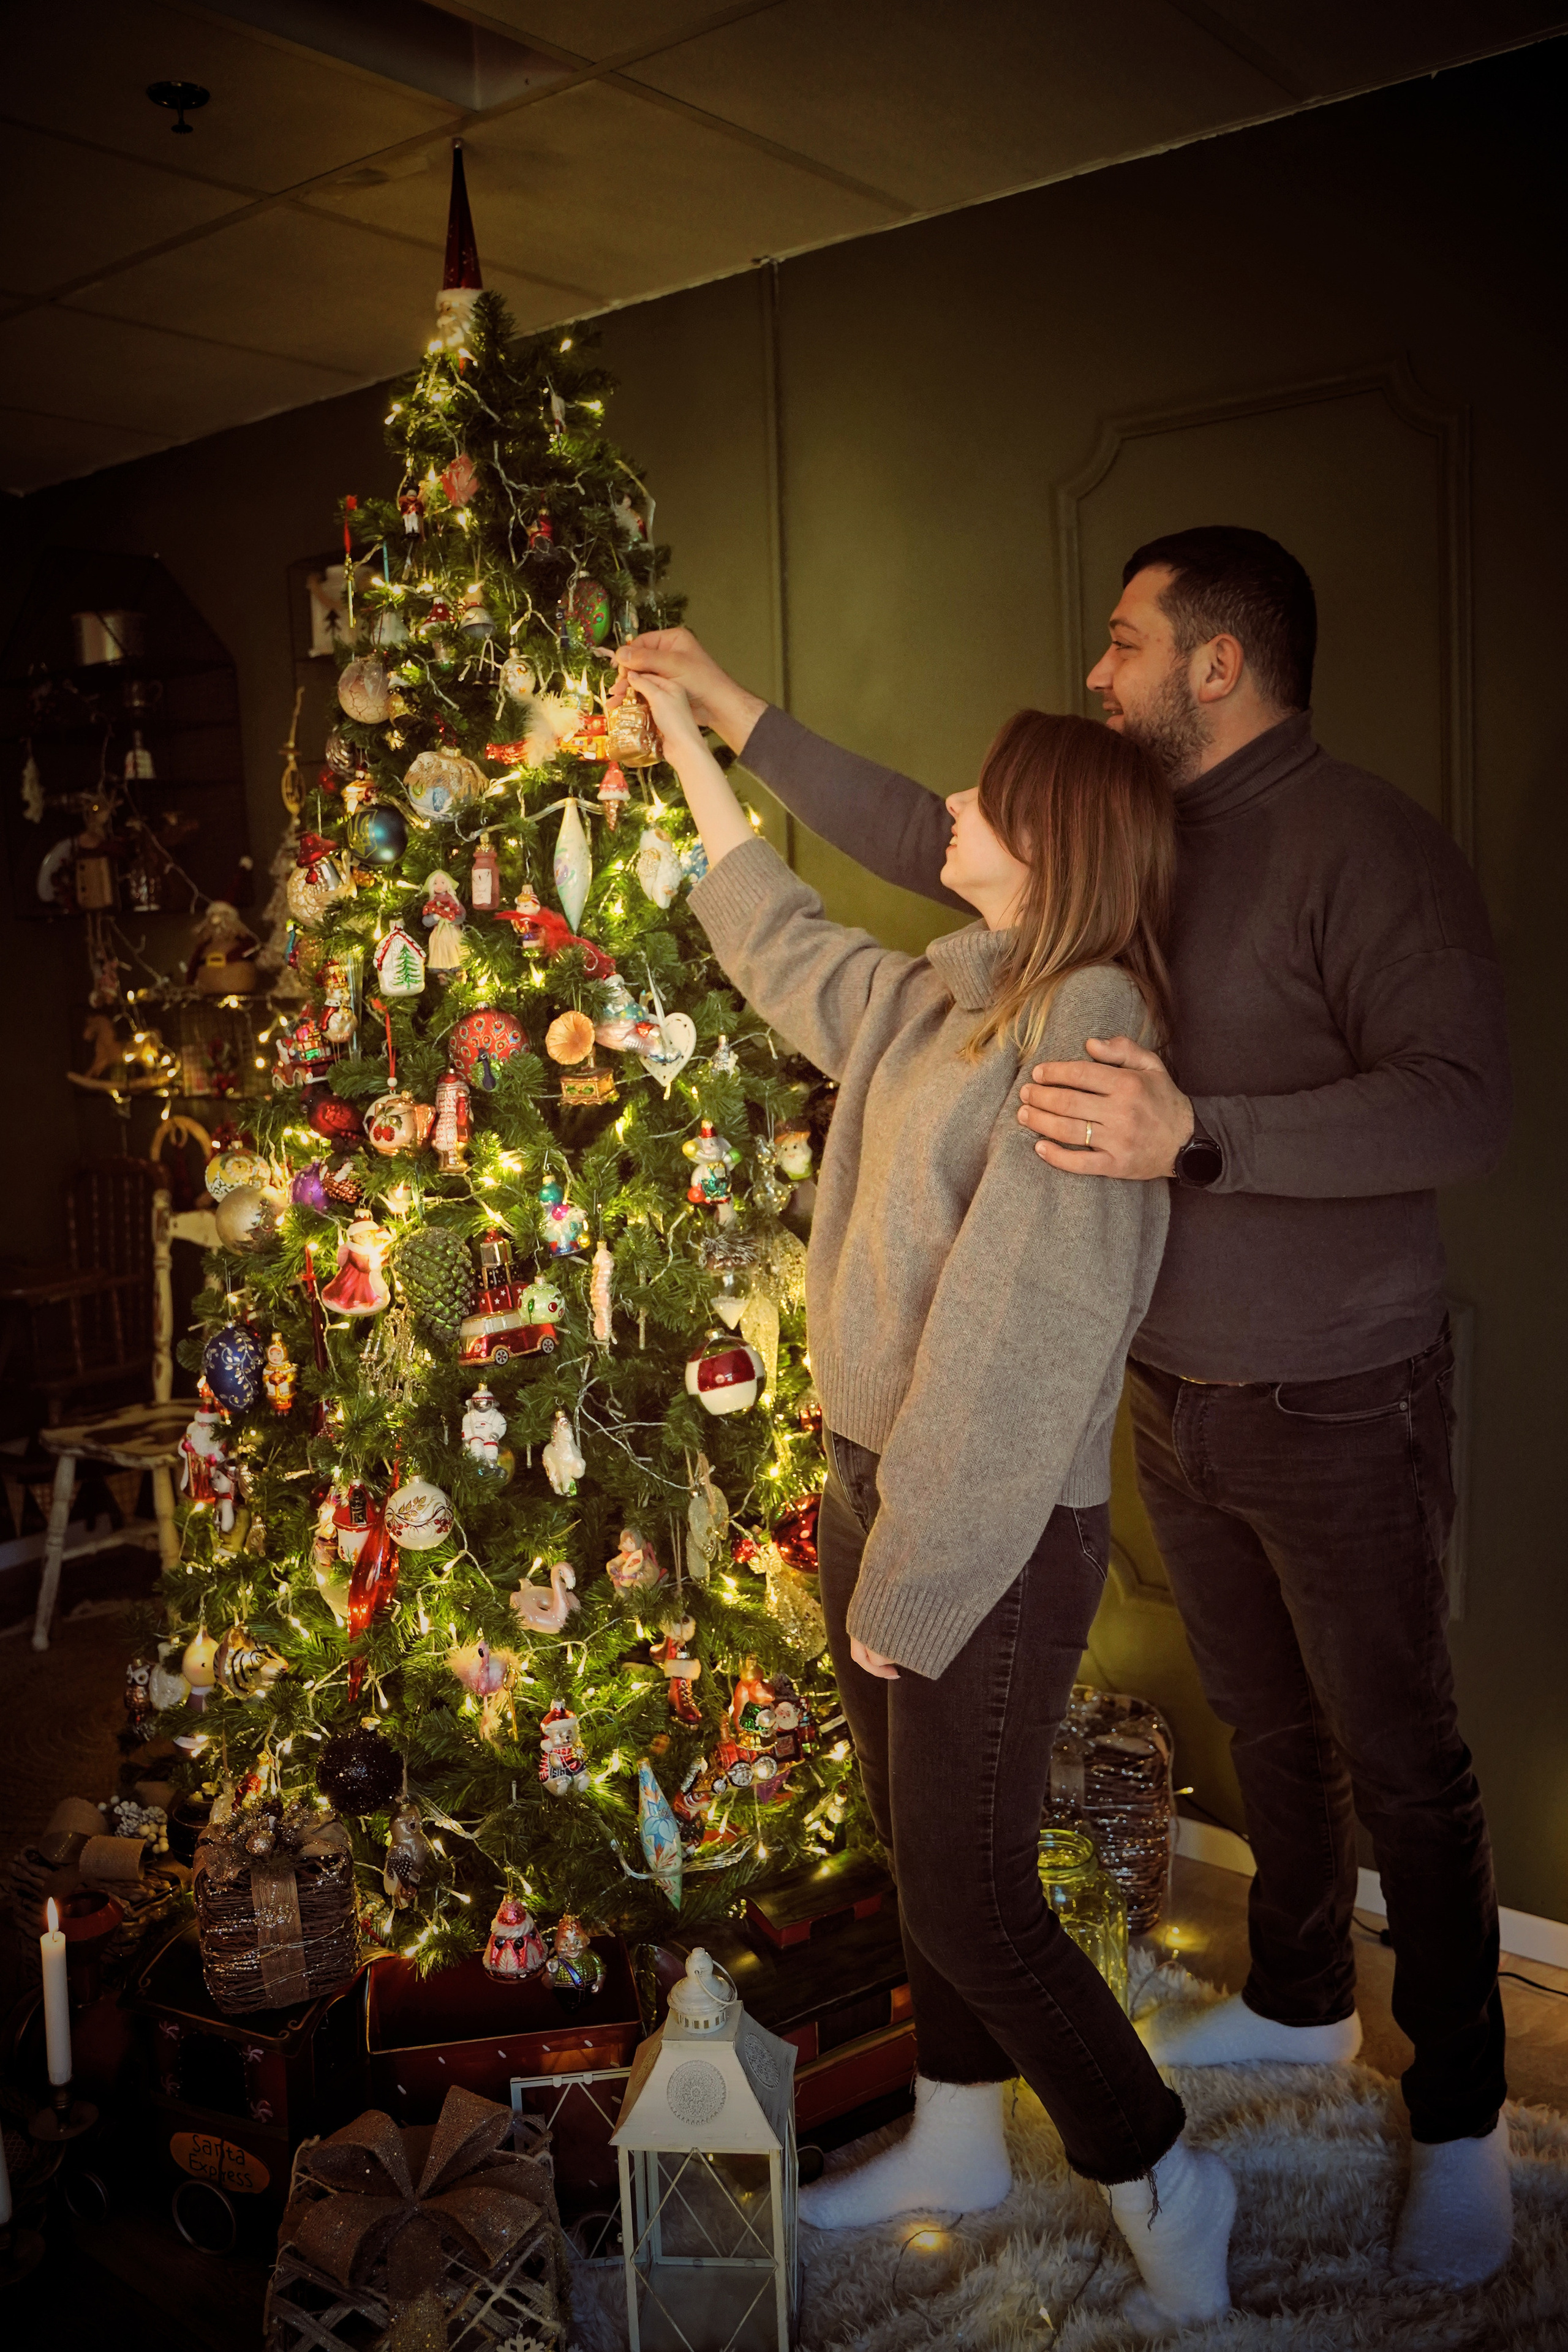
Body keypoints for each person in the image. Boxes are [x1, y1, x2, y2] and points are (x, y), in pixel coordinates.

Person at [616, 526, 1513, 2290]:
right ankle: (1304, 2003)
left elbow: (1462, 1106)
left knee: (1403, 1759)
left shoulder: (1353, 848)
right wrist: (727, 721)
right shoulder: (1112, 856)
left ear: (1220, 662)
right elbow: (931, 853)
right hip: (1169, 1389)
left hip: (1340, 1395)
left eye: (1124, 641)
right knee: (1272, 1735)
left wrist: (1203, 1135)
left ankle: (1466, 2121)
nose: (1099, 669)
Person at [633, 669, 1236, 2329]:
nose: (949, 813)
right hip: (875, 1490)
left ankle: (1163, 2165)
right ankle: (961, 2139)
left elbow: (1019, 1351)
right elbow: (779, 943)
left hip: (983, 1528)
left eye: (983, 800)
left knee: (975, 1889)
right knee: (922, 1858)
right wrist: (690, 751)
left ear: (1054, 845)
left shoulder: (1088, 1021)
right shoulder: (949, 995)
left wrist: (912, 1580)